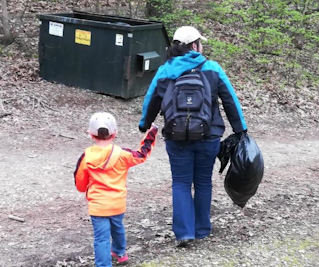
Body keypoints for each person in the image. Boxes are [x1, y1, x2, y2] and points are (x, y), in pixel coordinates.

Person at [138, 26, 248, 247]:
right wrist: (240, 129)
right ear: (195, 46)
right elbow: (230, 100)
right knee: (203, 182)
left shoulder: (166, 70)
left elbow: (151, 99)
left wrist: (145, 124)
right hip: (209, 136)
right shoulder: (212, 68)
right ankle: (202, 229)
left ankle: (184, 233)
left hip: (176, 137)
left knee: (180, 183)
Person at [74, 112, 158, 266]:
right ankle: (120, 253)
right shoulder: (122, 154)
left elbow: (80, 183)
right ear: (115, 133)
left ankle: (104, 265)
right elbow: (141, 155)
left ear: (90, 134)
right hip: (117, 203)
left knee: (101, 239)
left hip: (98, 206)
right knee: (118, 228)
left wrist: (86, 187)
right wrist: (151, 133)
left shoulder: (86, 156)